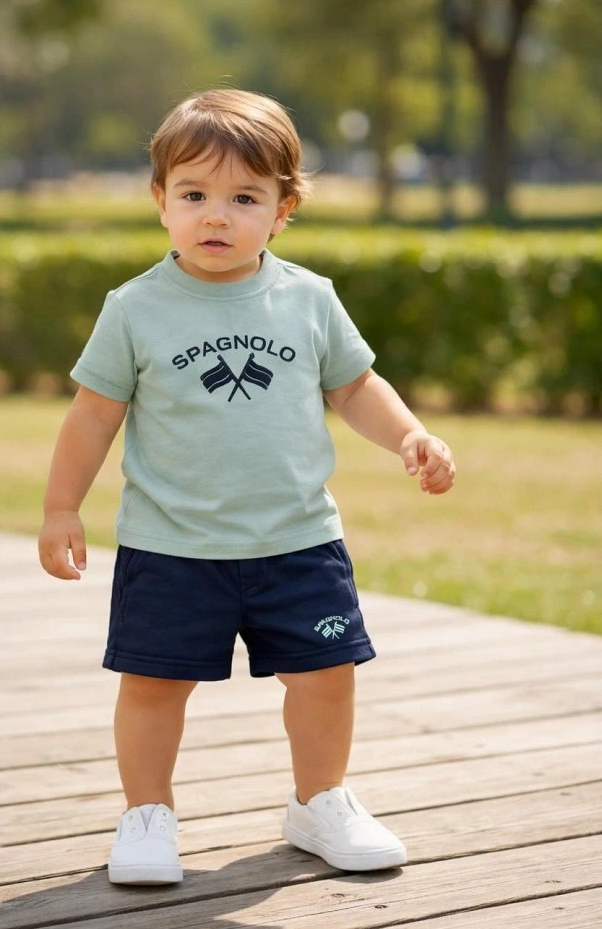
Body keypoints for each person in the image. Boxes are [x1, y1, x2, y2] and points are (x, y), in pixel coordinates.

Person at [38, 87, 456, 887]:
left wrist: (410, 435)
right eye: (193, 196)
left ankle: (320, 801)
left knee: (327, 679)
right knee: (155, 687)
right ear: (161, 202)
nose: (216, 217)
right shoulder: (135, 309)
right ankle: (148, 815)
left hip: (298, 542)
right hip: (172, 547)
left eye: (243, 198)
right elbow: (92, 416)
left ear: (283, 208)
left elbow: (355, 387)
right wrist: (63, 507)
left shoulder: (308, 298)